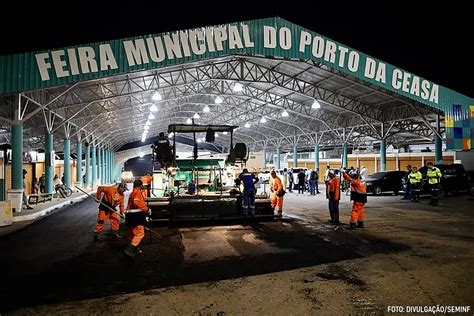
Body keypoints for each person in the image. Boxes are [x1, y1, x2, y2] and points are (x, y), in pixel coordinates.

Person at [124, 180, 150, 258]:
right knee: (140, 234)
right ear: (140, 185)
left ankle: (135, 249)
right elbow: (137, 202)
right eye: (142, 185)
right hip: (136, 216)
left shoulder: (133, 193)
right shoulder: (137, 193)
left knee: (133, 233)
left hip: (130, 216)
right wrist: (146, 209)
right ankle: (129, 249)